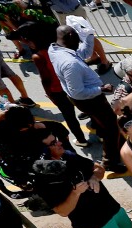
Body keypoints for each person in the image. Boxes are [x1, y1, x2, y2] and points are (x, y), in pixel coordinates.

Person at [49, 25, 125, 173]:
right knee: (111, 128)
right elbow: (77, 92)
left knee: (105, 124)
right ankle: (110, 161)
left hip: (86, 99)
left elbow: (83, 53)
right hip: (90, 99)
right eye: (79, 37)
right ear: (71, 37)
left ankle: (118, 143)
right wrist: (101, 89)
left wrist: (89, 35)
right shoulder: (70, 64)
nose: (80, 41)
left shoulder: (55, 48)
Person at [7, 22, 86, 146]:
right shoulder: (58, 46)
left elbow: (45, 79)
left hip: (58, 90)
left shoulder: (38, 56)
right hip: (75, 83)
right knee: (85, 106)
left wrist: (49, 94)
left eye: (24, 41)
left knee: (69, 116)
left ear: (30, 41)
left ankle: (81, 140)